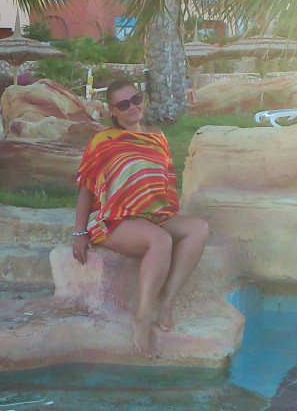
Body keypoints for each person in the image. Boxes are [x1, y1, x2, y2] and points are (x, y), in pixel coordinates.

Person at [72, 79, 209, 357]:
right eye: (123, 104)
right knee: (161, 241)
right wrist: (79, 232)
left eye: (136, 99)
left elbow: (162, 180)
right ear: (112, 110)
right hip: (113, 219)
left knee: (199, 228)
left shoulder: (158, 136)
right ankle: (143, 317)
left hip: (152, 214)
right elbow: (86, 188)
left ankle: (166, 300)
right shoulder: (103, 141)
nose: (133, 107)